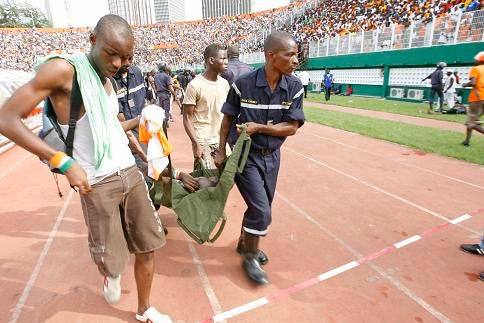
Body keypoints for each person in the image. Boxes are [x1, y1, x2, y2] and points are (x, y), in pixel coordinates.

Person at [0, 15, 180, 323]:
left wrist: (142, 121)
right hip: (97, 181)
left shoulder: (107, 82)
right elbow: (6, 118)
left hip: (128, 171)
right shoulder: (63, 71)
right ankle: (110, 273)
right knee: (112, 259)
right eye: (112, 53)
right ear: (92, 40)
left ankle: (145, 308)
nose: (119, 62)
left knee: (147, 245)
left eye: (127, 57)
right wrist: (62, 162)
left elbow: (109, 128)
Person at [214, 31, 305, 285]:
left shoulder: (295, 87)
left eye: (296, 55)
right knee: (261, 209)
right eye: (290, 55)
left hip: (273, 157)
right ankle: (250, 257)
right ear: (271, 56)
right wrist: (221, 150)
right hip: (246, 156)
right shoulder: (243, 84)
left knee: (262, 205)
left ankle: (244, 243)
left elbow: (292, 127)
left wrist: (259, 128)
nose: (295, 60)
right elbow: (227, 119)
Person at [183, 43, 230, 169]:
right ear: (211, 60)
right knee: (206, 180)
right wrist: (196, 144)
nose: (226, 62)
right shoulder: (195, 85)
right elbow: (187, 117)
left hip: (221, 140)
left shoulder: (225, 84)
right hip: (203, 140)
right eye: (223, 58)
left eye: (227, 58)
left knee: (227, 178)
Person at [461, 51, 484, 146]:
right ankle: (467, 141)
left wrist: (465, 84)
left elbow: (473, 83)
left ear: (479, 60)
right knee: (471, 120)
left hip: (477, 98)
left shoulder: (476, 69)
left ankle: (467, 141)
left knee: (472, 123)